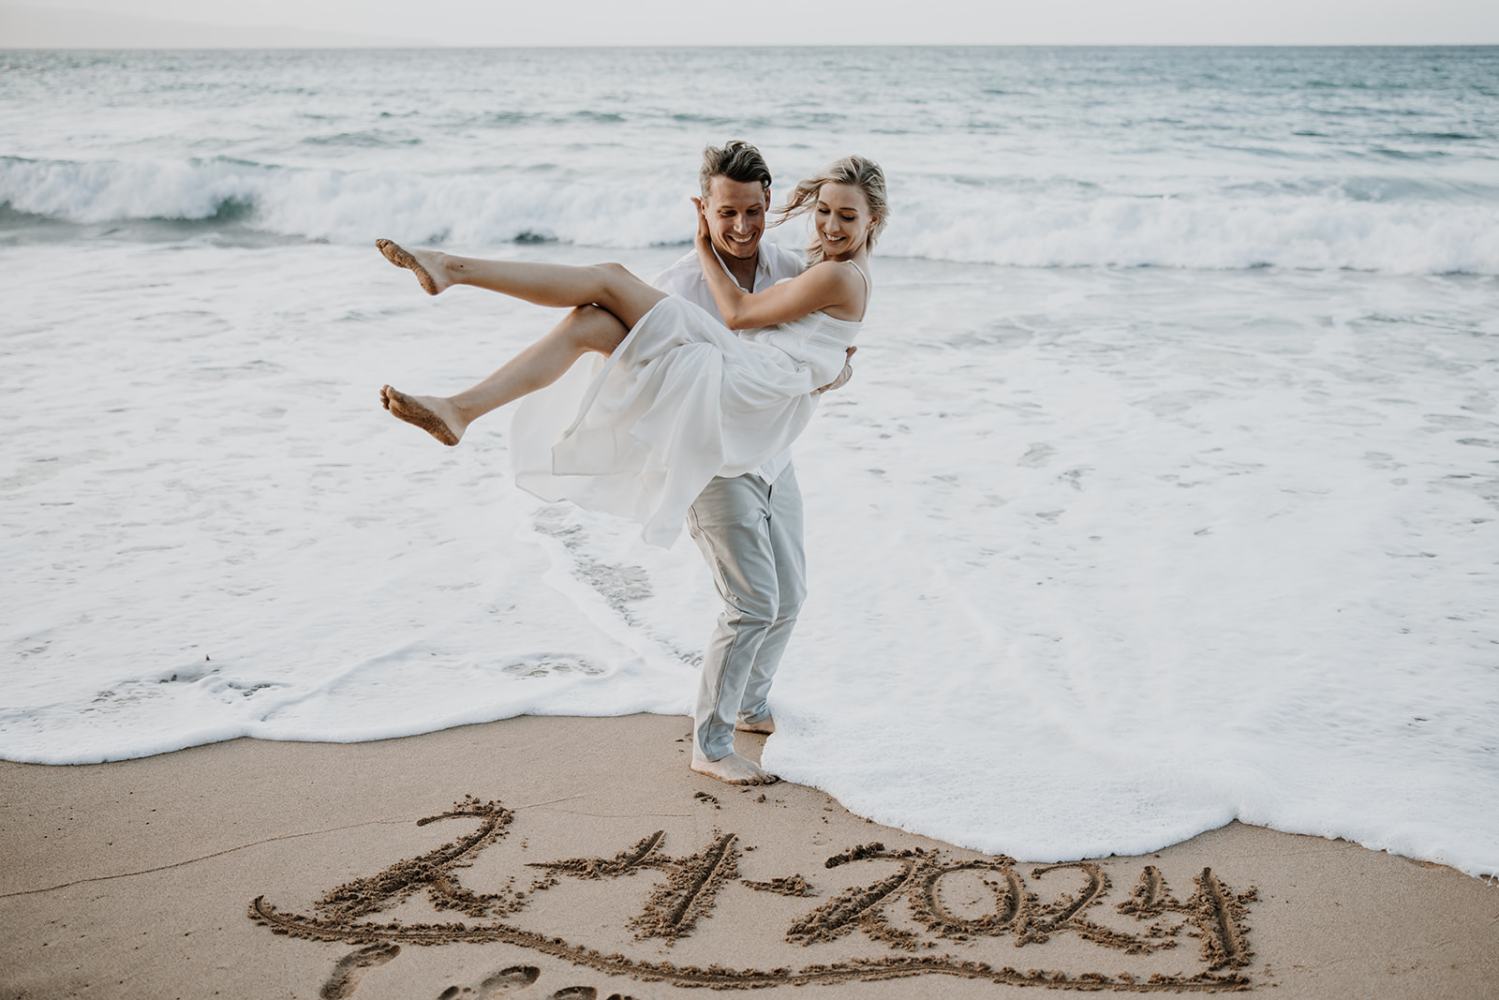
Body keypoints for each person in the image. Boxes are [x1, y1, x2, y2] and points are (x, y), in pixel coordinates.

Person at [377, 148, 887, 785]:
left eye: (754, 211)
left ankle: (752, 705)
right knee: (601, 301)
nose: (741, 226)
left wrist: (836, 367)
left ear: (870, 220)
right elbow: (737, 326)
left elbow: (815, 336)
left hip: (765, 440)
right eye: (724, 213)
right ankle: (712, 743)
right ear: (702, 209)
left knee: (790, 597)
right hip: (713, 446)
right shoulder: (683, 282)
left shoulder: (804, 265)